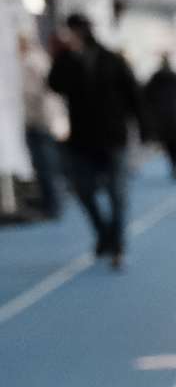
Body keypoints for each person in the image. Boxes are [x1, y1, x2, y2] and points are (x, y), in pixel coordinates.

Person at [47, 16, 140, 268]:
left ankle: (118, 242)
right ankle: (102, 232)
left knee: (117, 193)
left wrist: (141, 128)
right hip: (81, 139)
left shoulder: (112, 60)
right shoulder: (66, 62)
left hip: (112, 137)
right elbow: (53, 84)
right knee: (84, 190)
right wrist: (62, 55)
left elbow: (133, 94)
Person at [18, 33, 60, 220]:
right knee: (44, 166)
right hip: (38, 121)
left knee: (45, 166)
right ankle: (50, 204)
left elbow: (39, 95)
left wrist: (38, 119)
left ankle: (52, 206)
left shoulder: (33, 63)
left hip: (40, 122)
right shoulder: (34, 62)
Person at [143, 56, 176, 180]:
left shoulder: (154, 80)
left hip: (161, 119)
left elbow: (146, 99)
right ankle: (175, 165)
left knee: (169, 144)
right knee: (175, 145)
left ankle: (173, 165)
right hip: (175, 117)